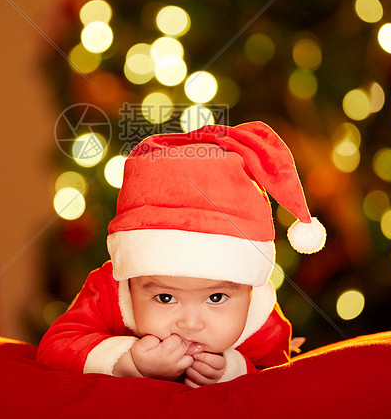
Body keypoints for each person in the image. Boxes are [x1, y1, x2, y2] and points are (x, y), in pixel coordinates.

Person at [36, 121, 326, 386]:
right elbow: (55, 347)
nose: (190, 324)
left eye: (215, 298)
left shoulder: (259, 317)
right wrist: (127, 361)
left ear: (249, 288)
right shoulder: (109, 292)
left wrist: (232, 369)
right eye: (165, 298)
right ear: (133, 281)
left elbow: (276, 376)